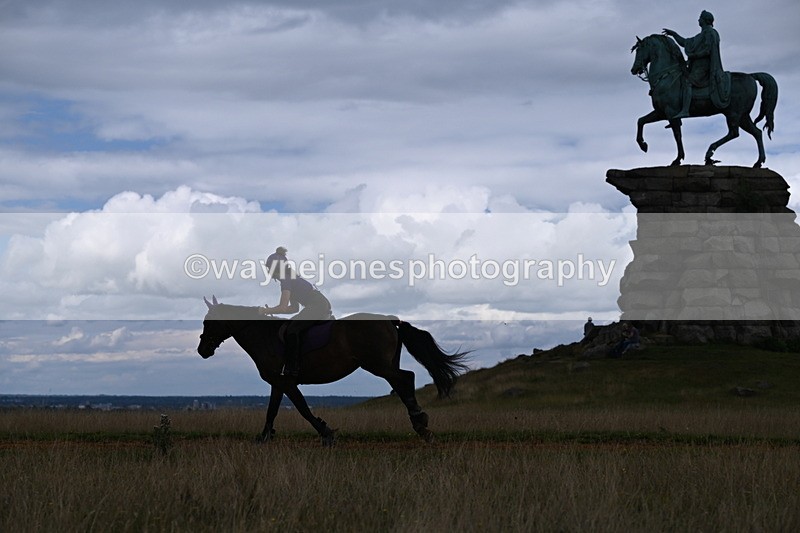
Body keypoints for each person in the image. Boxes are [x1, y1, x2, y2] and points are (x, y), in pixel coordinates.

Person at [259, 246, 332, 378]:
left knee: (291, 330)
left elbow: (282, 307)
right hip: (319, 303)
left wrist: (265, 310)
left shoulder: (286, 280)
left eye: (269, 269)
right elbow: (294, 308)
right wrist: (272, 311)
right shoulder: (289, 278)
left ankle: (292, 369)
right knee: (292, 326)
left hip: (317, 305)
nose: (268, 272)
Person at [663, 10, 731, 119]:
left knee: (687, 82)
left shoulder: (710, 33)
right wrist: (674, 34)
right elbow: (685, 43)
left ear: (704, 20)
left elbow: (708, 50)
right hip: (696, 66)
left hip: (704, 67)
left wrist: (694, 55)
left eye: (700, 18)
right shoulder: (700, 35)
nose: (698, 20)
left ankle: (685, 110)